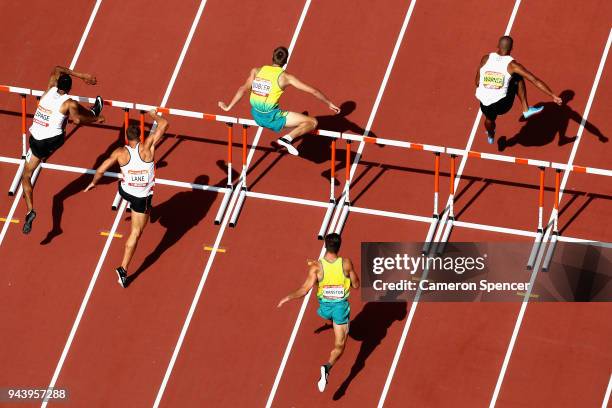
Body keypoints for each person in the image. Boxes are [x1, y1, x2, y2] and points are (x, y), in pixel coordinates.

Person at [84, 110, 168, 288]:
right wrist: (153, 114)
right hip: (141, 197)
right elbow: (165, 125)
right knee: (136, 233)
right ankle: (123, 268)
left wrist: (93, 183)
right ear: (140, 136)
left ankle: (140, 211)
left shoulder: (119, 152)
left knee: (142, 210)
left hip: (124, 191)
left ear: (127, 138)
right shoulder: (147, 149)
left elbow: (100, 169)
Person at [22, 65, 104, 234]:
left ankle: (30, 210)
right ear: (69, 88)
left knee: (26, 176)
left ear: (57, 83)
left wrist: (80, 75)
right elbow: (77, 121)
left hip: (36, 139)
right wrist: (96, 121)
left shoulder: (49, 90)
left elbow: (58, 68)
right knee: (73, 110)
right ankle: (95, 113)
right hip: (53, 140)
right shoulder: (68, 102)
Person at [218, 46, 340, 156]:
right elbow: (313, 91)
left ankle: (288, 133)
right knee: (312, 122)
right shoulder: (286, 77)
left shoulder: (256, 71)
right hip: (272, 118)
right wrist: (329, 103)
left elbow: (243, 89)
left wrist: (228, 107)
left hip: (256, 115)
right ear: (286, 61)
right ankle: (287, 139)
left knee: (297, 119)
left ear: (272, 57)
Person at [278, 233, 359, 392]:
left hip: (324, 309)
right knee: (339, 345)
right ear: (339, 246)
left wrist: (288, 297)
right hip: (340, 309)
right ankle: (327, 367)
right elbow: (356, 285)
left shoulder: (316, 267)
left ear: (325, 246)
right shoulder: (346, 263)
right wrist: (346, 279)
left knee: (318, 282)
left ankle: (330, 321)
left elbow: (303, 290)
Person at [475, 36, 562, 144]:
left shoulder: (485, 58)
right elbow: (534, 80)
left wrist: (490, 85)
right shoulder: (513, 65)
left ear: (497, 46)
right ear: (511, 48)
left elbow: (477, 82)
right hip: (502, 105)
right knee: (517, 77)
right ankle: (526, 110)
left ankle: (491, 134)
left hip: (484, 102)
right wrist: (553, 95)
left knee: (489, 118)